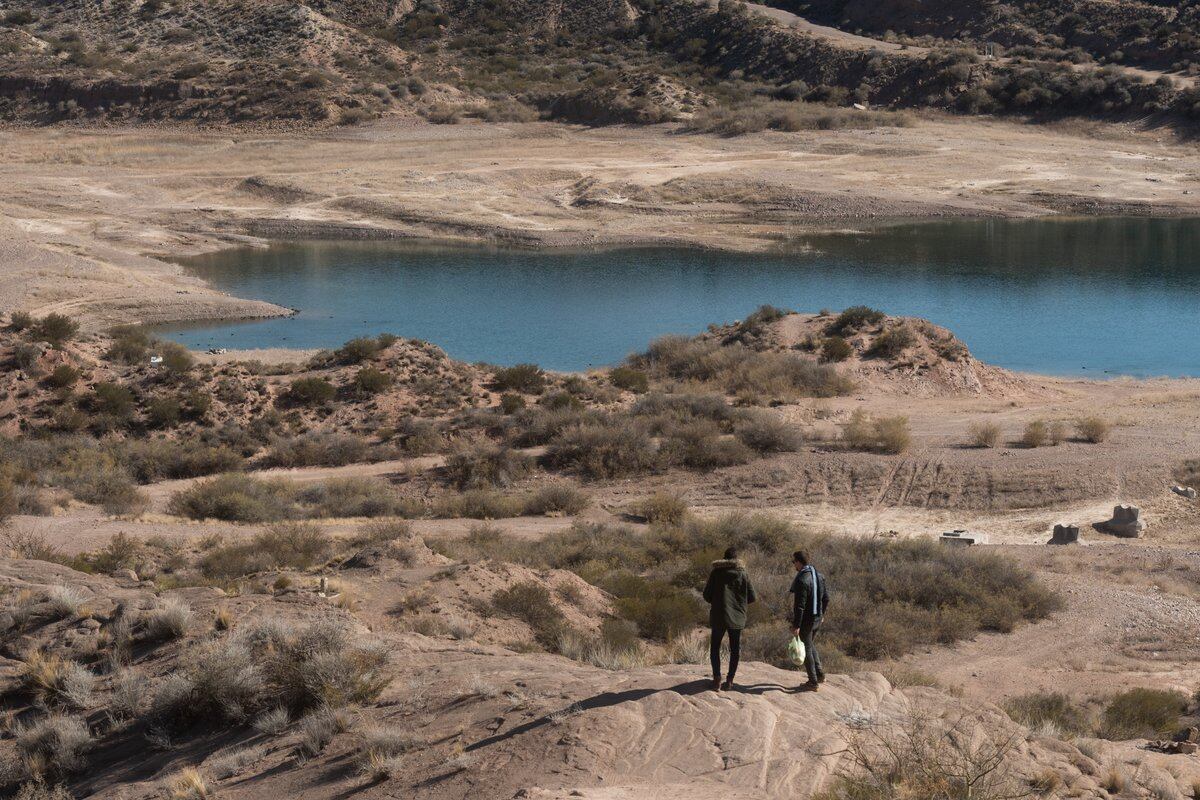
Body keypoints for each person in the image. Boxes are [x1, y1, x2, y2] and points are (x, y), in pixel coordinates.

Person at [702, 546, 756, 691]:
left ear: (724, 558)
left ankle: (716, 680)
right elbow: (752, 597)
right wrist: (739, 604)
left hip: (719, 616)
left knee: (715, 648)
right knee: (735, 650)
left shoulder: (716, 572)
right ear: (737, 559)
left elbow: (707, 595)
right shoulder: (743, 573)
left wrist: (718, 601)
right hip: (737, 617)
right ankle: (730, 680)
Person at [789, 550, 829, 691]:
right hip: (817, 618)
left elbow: (799, 607)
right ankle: (820, 675)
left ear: (799, 562)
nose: (793, 564)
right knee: (810, 645)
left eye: (794, 562)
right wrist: (822, 615)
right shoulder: (819, 575)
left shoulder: (801, 580)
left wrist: (796, 625)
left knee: (806, 649)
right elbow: (826, 599)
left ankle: (813, 682)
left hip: (807, 620)